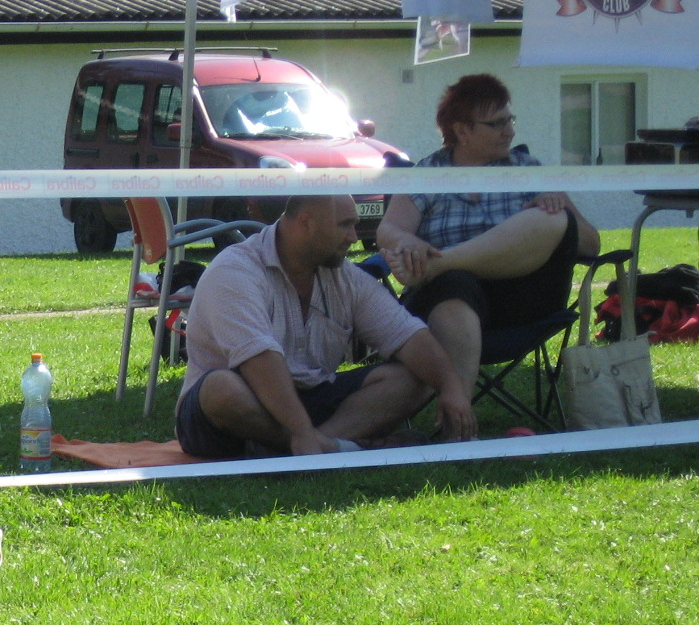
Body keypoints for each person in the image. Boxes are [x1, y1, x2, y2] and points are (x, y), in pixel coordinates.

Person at [177, 194, 475, 459]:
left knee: (412, 379)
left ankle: (308, 448)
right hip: (239, 403)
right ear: (306, 222)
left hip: (312, 398)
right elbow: (259, 361)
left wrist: (451, 388)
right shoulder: (236, 270)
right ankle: (327, 447)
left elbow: (405, 334)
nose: (354, 237)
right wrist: (300, 429)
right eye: (345, 225)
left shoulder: (345, 276)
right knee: (221, 389)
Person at [375, 73, 601, 396]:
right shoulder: (429, 174)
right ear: (462, 131)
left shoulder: (527, 170)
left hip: (524, 297)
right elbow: (388, 230)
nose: (509, 130)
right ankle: (460, 423)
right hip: (453, 296)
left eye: (510, 120)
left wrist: (555, 211)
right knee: (454, 287)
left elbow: (592, 245)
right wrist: (406, 241)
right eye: (496, 124)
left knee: (550, 220)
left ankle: (442, 263)